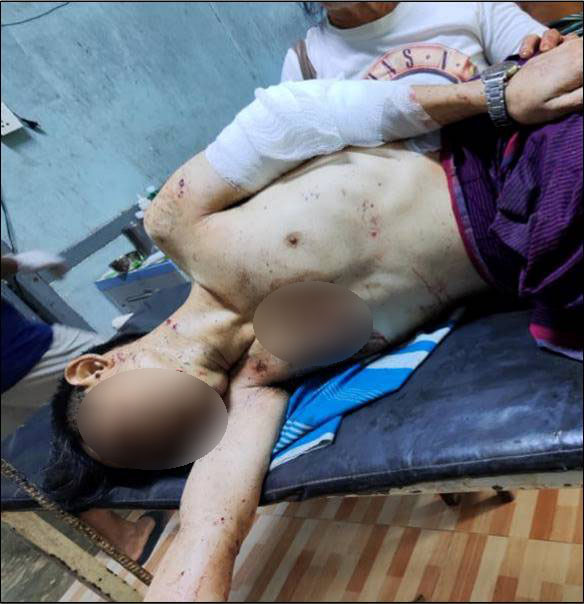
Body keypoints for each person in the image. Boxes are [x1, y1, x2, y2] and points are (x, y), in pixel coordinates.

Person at [42, 37, 582, 599]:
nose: (157, 443)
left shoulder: (179, 226)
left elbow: (293, 116)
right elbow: (209, 531)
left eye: (127, 436)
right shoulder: (260, 378)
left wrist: (494, 95)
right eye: (154, 458)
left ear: (92, 369)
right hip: (527, 254)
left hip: (502, 147)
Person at [1, 251, 167, 563]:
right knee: (122, 363)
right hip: (15, 352)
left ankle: (125, 539)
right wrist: (17, 263)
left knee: (33, 455)